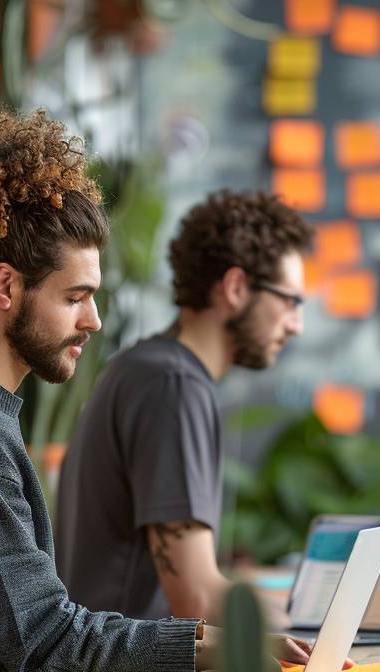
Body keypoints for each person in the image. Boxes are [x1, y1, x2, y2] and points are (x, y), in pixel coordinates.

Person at [0, 108, 311, 672]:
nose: (93, 321)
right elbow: (42, 639)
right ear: (5, 288)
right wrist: (208, 646)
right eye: (74, 298)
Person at [55, 190, 313, 623]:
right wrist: (312, 628)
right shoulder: (173, 386)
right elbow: (197, 598)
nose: (297, 325)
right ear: (234, 288)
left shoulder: (143, 367)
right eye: (290, 301)